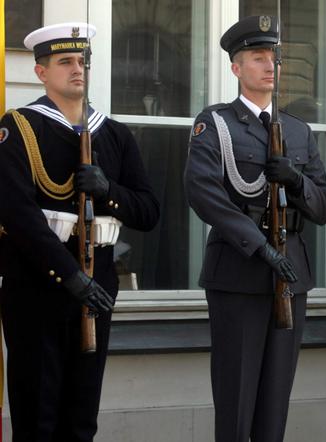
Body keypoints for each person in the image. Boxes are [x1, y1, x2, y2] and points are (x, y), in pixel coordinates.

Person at [0, 22, 160, 441]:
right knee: (38, 417)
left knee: (82, 417)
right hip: (38, 287)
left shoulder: (115, 134)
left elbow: (148, 211)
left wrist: (109, 191)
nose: (77, 70)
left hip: (97, 285)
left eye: (81, 62)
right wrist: (69, 276)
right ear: (41, 72)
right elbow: (17, 213)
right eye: (64, 61)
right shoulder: (18, 129)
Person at [184, 15, 326, 442]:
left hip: (291, 276)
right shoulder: (216, 124)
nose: (270, 65)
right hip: (238, 273)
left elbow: (324, 206)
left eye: (274, 57)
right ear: (236, 68)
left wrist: (296, 180)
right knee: (236, 400)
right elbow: (204, 194)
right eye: (257, 57)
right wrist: (260, 247)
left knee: (275, 402)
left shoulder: (298, 131)